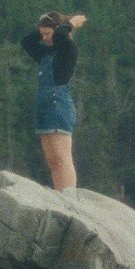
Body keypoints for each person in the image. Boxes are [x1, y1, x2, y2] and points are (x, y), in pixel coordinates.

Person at [21, 10, 87, 190]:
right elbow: (26, 41)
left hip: (59, 106)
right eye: (42, 34)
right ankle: (60, 193)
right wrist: (43, 25)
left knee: (62, 158)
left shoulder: (68, 50)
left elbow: (60, 35)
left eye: (47, 34)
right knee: (52, 161)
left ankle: (69, 197)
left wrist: (70, 24)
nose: (44, 38)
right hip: (43, 107)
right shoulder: (44, 53)